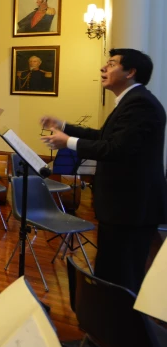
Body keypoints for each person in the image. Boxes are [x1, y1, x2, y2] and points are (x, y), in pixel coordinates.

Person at [41, 48, 166, 293]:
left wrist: (67, 142)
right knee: (112, 269)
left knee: (122, 274)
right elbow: (104, 136)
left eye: (111, 64)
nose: (103, 68)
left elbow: (116, 148)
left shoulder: (140, 104)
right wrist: (65, 127)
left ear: (130, 72)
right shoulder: (132, 101)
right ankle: (111, 324)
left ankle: (121, 327)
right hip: (124, 206)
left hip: (131, 206)